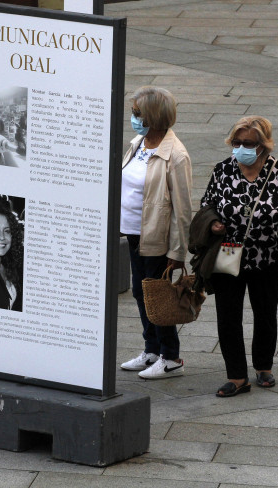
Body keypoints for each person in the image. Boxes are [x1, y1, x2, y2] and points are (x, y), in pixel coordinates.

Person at [201, 116, 278, 397]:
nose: (240, 148)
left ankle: (263, 366)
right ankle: (236, 376)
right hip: (228, 255)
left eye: (248, 143)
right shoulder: (223, 169)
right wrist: (212, 224)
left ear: (262, 145)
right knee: (228, 317)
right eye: (236, 142)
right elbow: (206, 204)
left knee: (266, 314)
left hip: (268, 257)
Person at [119, 86, 192, 380]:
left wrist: (177, 252)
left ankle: (170, 356)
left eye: (138, 114)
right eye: (133, 113)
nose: (134, 119)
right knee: (140, 292)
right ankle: (151, 349)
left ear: (154, 116)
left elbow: (183, 209)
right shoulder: (139, 142)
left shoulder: (176, 155)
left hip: (156, 237)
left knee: (158, 296)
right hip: (134, 232)